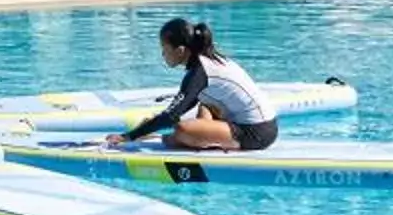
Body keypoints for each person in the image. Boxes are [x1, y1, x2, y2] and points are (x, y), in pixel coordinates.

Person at [109, 17, 278, 152]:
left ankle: (193, 138)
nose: (163, 54)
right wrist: (153, 124)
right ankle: (200, 135)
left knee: (181, 131)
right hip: (256, 123)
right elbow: (182, 106)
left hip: (256, 132)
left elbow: (171, 116)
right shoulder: (207, 60)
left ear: (180, 50)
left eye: (165, 48)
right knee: (203, 106)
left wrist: (128, 136)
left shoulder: (199, 73)